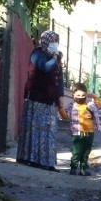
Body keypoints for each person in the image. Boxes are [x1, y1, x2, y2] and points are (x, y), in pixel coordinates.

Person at [17, 30, 65, 171]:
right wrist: (55, 58)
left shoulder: (56, 56)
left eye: (56, 41)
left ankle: (47, 162)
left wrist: (61, 95)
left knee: (49, 131)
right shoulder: (37, 54)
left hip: (50, 100)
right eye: (52, 41)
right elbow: (45, 67)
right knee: (35, 129)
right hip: (37, 98)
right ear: (45, 41)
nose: (55, 44)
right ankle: (29, 158)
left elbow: (59, 77)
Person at [65, 83, 101, 176]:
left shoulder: (90, 105)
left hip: (89, 132)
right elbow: (66, 116)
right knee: (76, 152)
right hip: (77, 132)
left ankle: (83, 169)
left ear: (86, 95)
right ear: (73, 95)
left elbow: (100, 105)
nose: (80, 97)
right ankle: (73, 168)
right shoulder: (71, 106)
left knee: (86, 152)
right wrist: (60, 109)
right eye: (78, 95)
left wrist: (93, 96)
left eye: (83, 95)